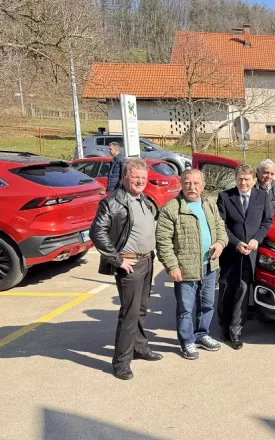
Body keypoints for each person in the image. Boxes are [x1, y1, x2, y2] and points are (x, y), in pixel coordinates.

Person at [90, 158, 162, 380]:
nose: (140, 181)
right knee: (129, 313)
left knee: (141, 309)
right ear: (124, 178)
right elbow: (97, 232)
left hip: (147, 261)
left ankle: (140, 347)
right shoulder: (113, 202)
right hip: (129, 264)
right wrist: (118, 259)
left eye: (143, 178)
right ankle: (121, 361)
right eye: (135, 177)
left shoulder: (145, 200)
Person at [156, 169, 228, 360]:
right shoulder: (171, 208)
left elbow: (221, 227)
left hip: (210, 266)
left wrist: (221, 243)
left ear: (203, 186)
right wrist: (172, 266)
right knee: (185, 308)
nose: (192, 187)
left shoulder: (209, 204)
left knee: (207, 305)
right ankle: (187, 340)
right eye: (187, 183)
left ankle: (202, 334)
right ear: (181, 184)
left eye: (196, 183)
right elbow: (163, 241)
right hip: (185, 268)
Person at [216, 164, 274, 350]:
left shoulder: (262, 196)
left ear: (254, 181)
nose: (244, 182)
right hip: (232, 252)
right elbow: (221, 226)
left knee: (242, 289)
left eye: (247, 179)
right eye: (240, 179)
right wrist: (235, 243)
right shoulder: (225, 197)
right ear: (236, 179)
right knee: (227, 291)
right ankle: (223, 325)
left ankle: (236, 331)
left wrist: (257, 239)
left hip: (251, 253)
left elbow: (267, 221)